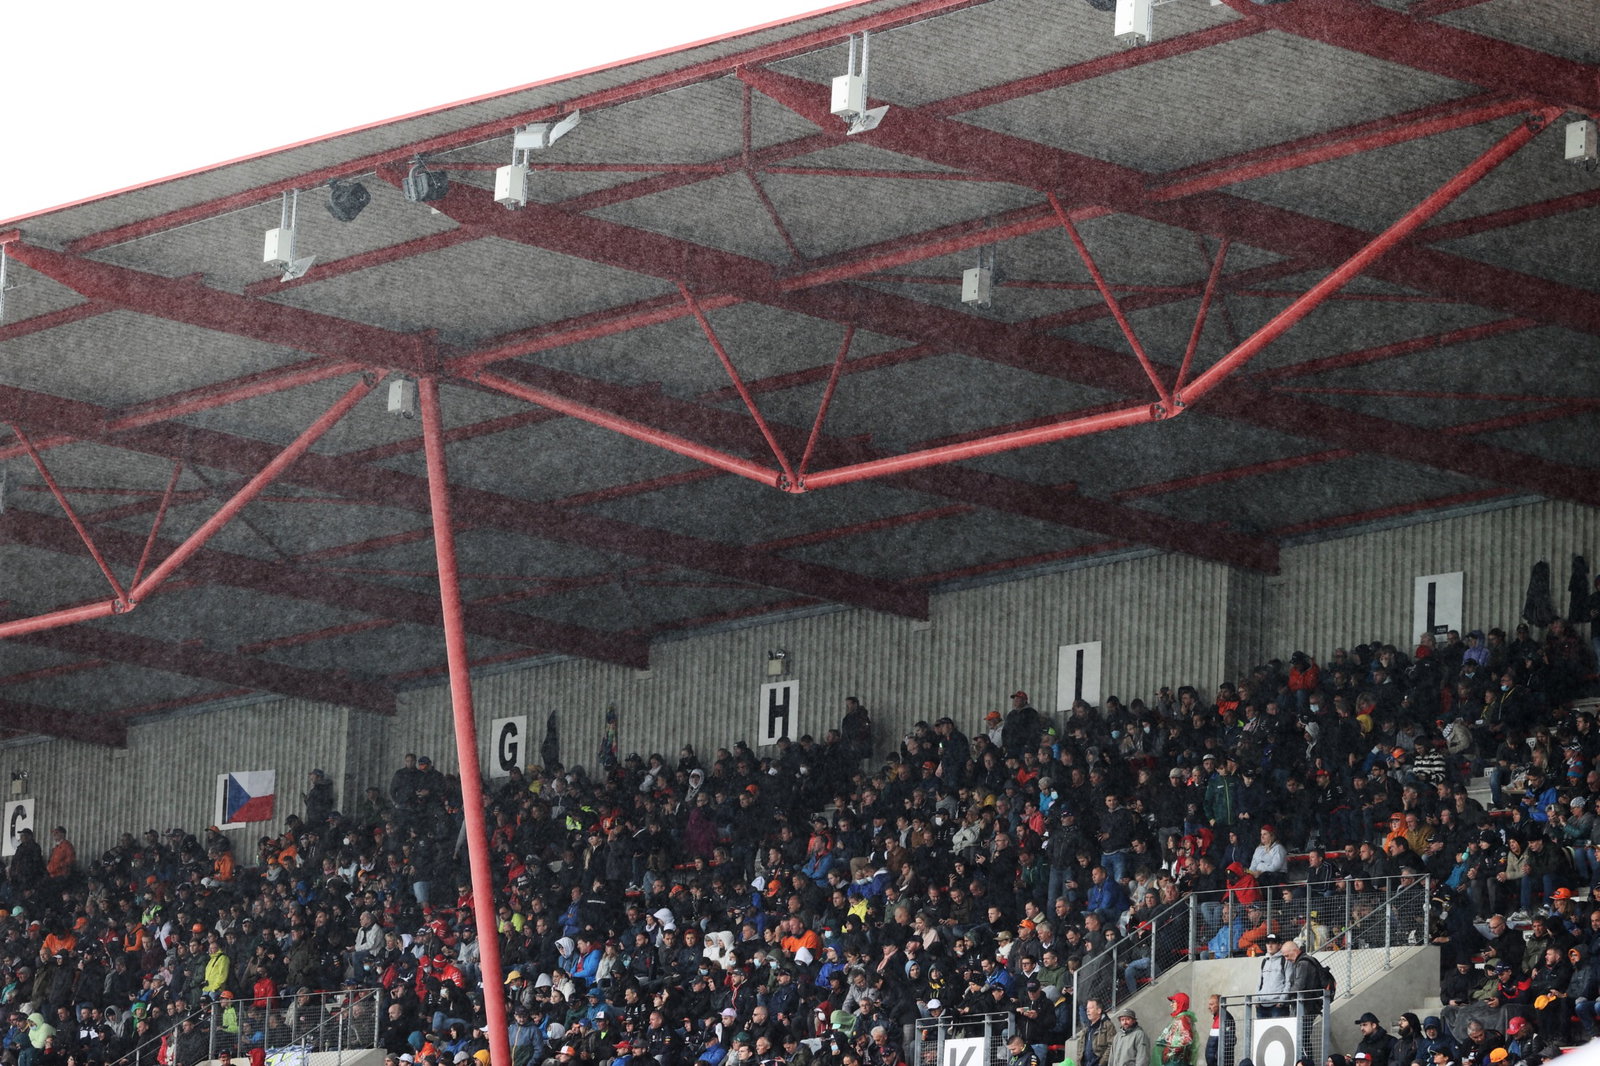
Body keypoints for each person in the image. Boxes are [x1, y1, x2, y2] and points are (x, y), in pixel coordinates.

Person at [1158, 994, 1196, 1066]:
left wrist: (1171, 1053)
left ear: (1180, 1003)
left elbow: (1187, 1039)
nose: (1171, 1005)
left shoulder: (1183, 1019)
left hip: (1176, 1061)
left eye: (1173, 1002)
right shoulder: (1180, 1018)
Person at [1077, 1000, 1114, 1066]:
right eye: (1087, 1009)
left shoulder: (1108, 1025)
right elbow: (1080, 1048)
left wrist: (1101, 1063)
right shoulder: (1086, 1029)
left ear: (1099, 1011)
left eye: (1090, 1008)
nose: (1087, 1011)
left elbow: (1112, 1046)